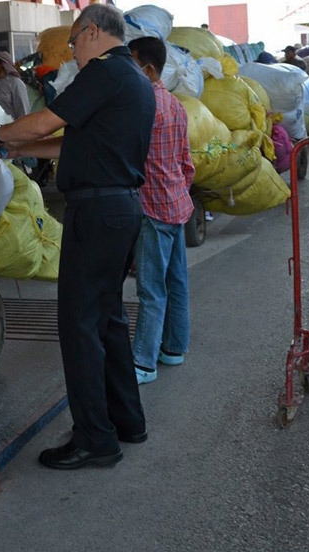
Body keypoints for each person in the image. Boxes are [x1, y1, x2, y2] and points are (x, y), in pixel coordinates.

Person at [0, 4, 154, 470]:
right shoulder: (132, 77)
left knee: (77, 326)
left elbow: (45, 121)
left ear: (92, 32)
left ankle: (95, 439)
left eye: (73, 42)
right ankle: (126, 420)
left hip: (96, 211)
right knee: (106, 320)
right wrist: (14, 148)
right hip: (118, 209)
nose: (72, 51)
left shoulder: (102, 72)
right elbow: (67, 141)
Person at [125, 37, 194, 386]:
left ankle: (143, 362)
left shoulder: (143, 105)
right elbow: (186, 162)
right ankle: (174, 348)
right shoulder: (176, 104)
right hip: (177, 204)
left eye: (131, 63)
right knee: (176, 281)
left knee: (151, 289)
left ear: (148, 69)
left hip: (153, 208)